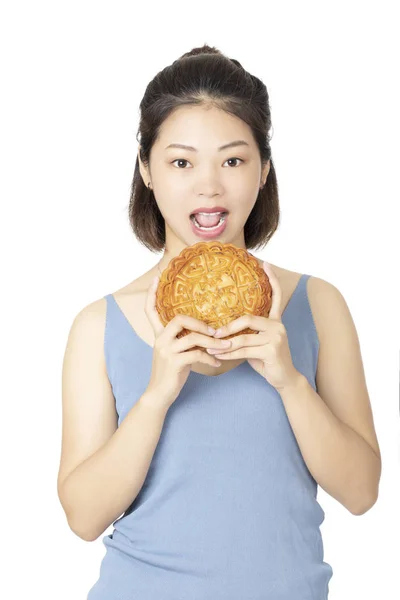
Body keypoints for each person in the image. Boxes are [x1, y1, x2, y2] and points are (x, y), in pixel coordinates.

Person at [57, 44, 381, 599]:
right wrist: (158, 393)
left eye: (233, 160)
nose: (209, 185)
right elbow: (83, 518)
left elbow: (361, 492)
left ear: (263, 172)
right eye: (181, 162)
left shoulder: (318, 303)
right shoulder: (99, 324)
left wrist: (288, 379)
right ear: (147, 171)